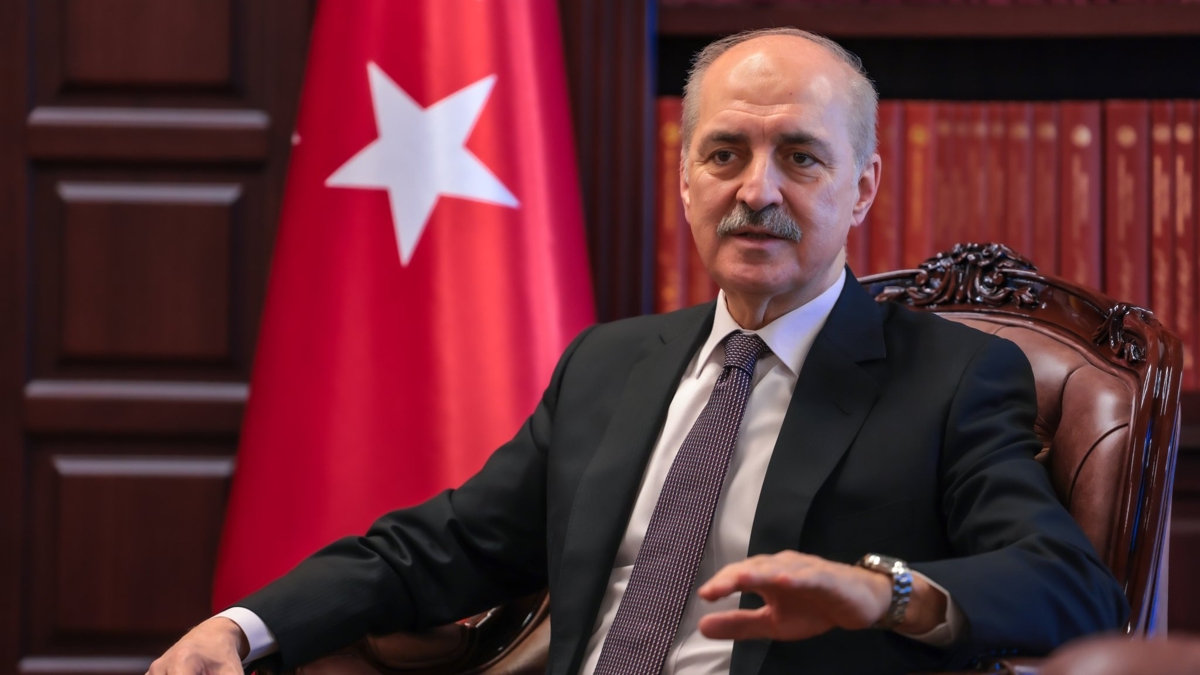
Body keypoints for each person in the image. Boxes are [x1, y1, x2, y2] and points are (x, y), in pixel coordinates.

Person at [149, 28, 1127, 675]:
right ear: (686, 179)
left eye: (800, 156)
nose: (757, 191)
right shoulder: (609, 365)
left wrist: (882, 591)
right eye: (725, 153)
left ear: (862, 188)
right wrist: (241, 627)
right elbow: (445, 549)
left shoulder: (952, 378)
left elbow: (1071, 587)